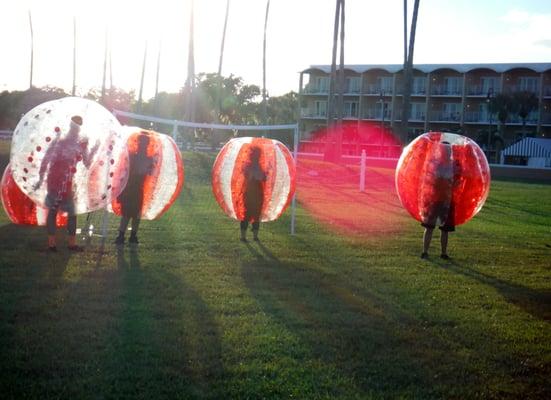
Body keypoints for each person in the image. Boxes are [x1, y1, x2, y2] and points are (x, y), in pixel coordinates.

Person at [35, 115, 99, 252]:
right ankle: (55, 244)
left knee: (70, 213)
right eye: (75, 126)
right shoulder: (60, 141)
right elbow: (47, 159)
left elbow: (87, 164)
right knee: (54, 212)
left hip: (67, 183)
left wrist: (94, 148)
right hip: (55, 181)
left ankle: (67, 244)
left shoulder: (79, 144)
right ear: (71, 126)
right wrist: (41, 178)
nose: (76, 129)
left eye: (78, 126)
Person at [114, 132, 154, 245]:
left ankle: (125, 236)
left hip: (133, 187)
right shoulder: (137, 157)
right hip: (132, 187)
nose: (143, 146)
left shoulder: (138, 157)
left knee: (131, 214)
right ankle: (128, 236)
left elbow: (149, 172)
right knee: (131, 214)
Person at [420, 141, 455, 260]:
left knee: (444, 229)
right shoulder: (435, 164)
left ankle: (443, 253)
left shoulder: (452, 165)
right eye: (444, 150)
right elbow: (429, 179)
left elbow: (456, 181)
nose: (446, 152)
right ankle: (425, 252)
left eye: (447, 150)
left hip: (446, 200)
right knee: (429, 227)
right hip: (435, 199)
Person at [240, 146, 266, 242]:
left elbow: (263, 178)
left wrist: (263, 174)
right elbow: (249, 177)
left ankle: (252, 236)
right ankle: (245, 236)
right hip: (251, 192)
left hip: (256, 192)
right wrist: (257, 175)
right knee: (248, 214)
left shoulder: (257, 166)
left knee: (255, 214)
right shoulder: (248, 166)